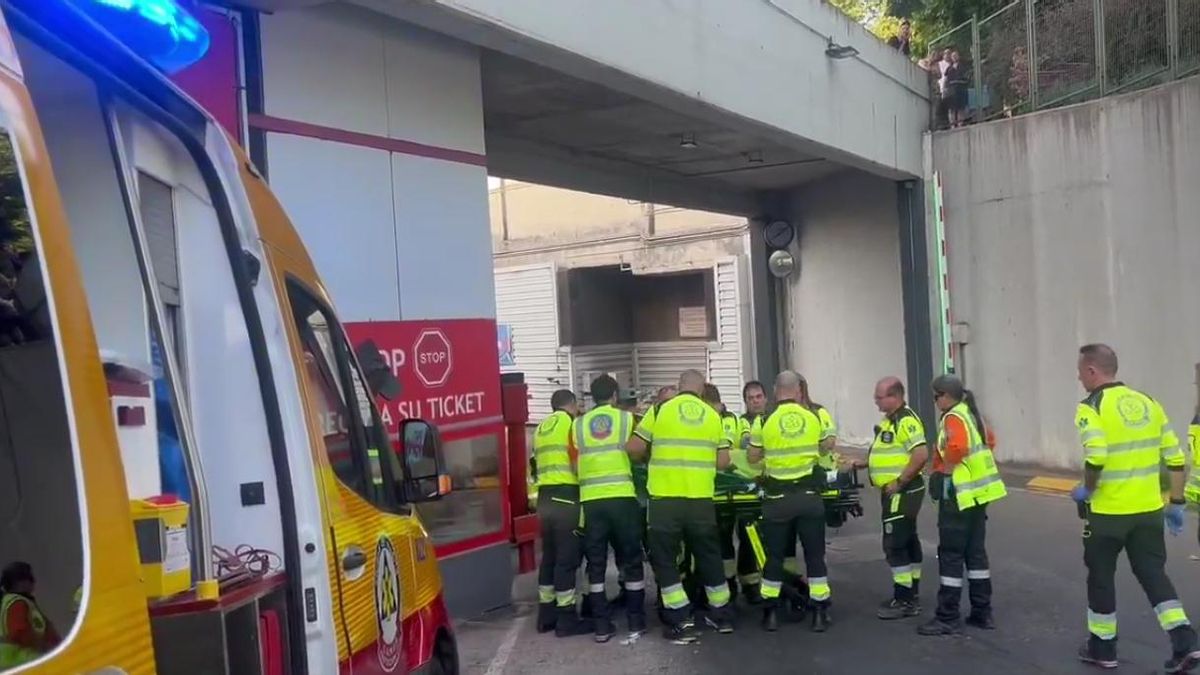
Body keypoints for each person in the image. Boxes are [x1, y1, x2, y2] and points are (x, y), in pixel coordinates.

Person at [1069, 344, 1199, 671]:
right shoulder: (1148, 402)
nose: (1078, 376)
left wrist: (1087, 489)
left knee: (1100, 577)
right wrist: (1176, 502)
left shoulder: (1090, 407)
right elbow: (1175, 457)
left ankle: (1103, 648)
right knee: (1153, 574)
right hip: (1148, 512)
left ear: (1091, 371)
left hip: (1107, 514)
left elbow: (1096, 455)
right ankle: (1184, 640)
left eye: (1080, 370)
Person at [627, 370, 734, 644]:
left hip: (666, 500)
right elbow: (723, 462)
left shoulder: (661, 409)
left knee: (665, 559)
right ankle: (721, 616)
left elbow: (635, 447)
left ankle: (681, 620)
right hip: (700, 500)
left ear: (679, 387)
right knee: (709, 556)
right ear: (701, 390)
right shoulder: (712, 415)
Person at [919, 373, 1006, 636]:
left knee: (951, 555)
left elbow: (957, 447)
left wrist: (945, 471)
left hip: (958, 497)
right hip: (979, 496)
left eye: (936, 397)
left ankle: (947, 616)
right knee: (975, 554)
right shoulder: (972, 414)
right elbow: (990, 441)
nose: (935, 402)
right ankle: (982, 611)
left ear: (945, 396)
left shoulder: (954, 417)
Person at [749, 371, 832, 633]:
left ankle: (770, 614)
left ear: (775, 391)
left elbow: (752, 457)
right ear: (798, 391)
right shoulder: (814, 417)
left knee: (774, 558)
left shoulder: (764, 420)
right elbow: (825, 447)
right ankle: (819, 614)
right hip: (809, 499)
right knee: (815, 557)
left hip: (777, 501)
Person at [573, 375, 646, 642]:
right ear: (615, 396)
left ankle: (602, 626)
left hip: (591, 502)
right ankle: (636, 621)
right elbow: (637, 451)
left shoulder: (578, 426)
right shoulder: (626, 419)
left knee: (596, 564)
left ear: (591, 396)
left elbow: (577, 458)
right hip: (622, 498)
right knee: (631, 558)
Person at [853, 377, 930, 620]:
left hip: (902, 491)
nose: (875, 401)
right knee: (907, 539)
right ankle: (911, 591)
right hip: (897, 490)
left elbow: (920, 454)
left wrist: (899, 482)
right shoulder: (890, 421)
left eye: (879, 396)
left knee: (894, 543)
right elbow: (891, 453)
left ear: (894, 396)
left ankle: (905, 599)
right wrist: (864, 463)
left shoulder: (905, 421)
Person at [533, 389, 590, 637]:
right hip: (566, 495)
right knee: (567, 558)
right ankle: (566, 617)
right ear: (573, 405)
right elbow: (577, 462)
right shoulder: (571, 425)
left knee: (550, 556)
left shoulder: (541, 427)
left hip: (544, 497)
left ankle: (546, 614)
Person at [703, 384, 762, 604]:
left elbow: (726, 455)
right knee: (722, 538)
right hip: (720, 490)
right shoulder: (733, 419)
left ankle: (749, 582)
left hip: (738, 488)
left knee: (747, 535)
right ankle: (728, 583)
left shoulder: (728, 419)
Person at [0, 561, 61, 669]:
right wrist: (46, 647)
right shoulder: (17, 603)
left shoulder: (21, 602)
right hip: (21, 663)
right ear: (20, 582)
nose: (33, 582)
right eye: (29, 578)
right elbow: (20, 632)